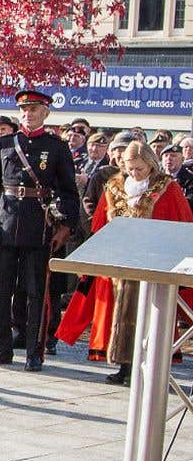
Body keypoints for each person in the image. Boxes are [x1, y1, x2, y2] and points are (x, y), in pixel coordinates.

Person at [64, 139, 193, 385]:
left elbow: (181, 222)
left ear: (151, 165)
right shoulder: (113, 187)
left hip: (153, 262)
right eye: (130, 168)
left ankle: (147, 366)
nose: (134, 173)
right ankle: (123, 365)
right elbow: (99, 224)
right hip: (120, 262)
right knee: (118, 313)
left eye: (140, 169)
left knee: (149, 315)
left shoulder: (167, 188)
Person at [0, 88, 81, 371]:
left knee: (36, 291)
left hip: (39, 227)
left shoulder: (56, 147)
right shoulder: (4, 144)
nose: (28, 114)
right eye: (24, 110)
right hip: (6, 223)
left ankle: (34, 351)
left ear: (45, 113)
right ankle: (2, 346)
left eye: (34, 110)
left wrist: (66, 226)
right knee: (1, 290)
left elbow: (69, 192)